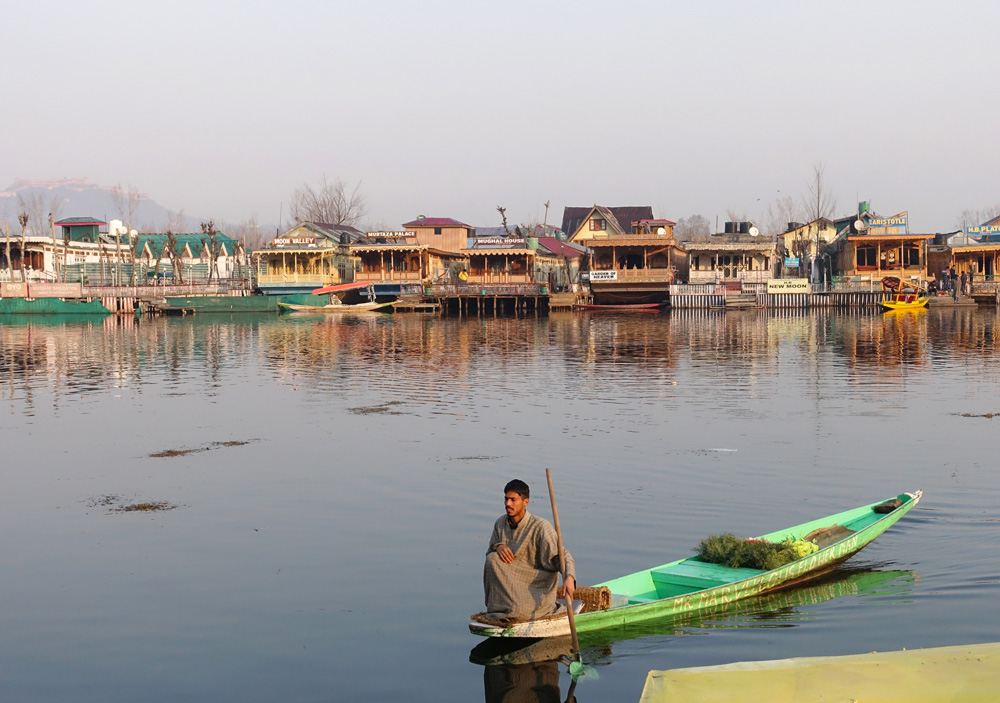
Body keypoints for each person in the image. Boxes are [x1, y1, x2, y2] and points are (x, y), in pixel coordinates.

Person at [483, 479, 576, 622]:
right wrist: (497, 546)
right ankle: (499, 611)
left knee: (519, 612)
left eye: (513, 500)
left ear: (525, 502)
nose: (508, 504)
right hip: (511, 587)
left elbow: (563, 556)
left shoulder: (541, 527)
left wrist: (569, 577)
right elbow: (490, 552)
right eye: (506, 499)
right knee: (492, 559)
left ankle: (520, 611)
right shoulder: (500, 524)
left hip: (536, 588)